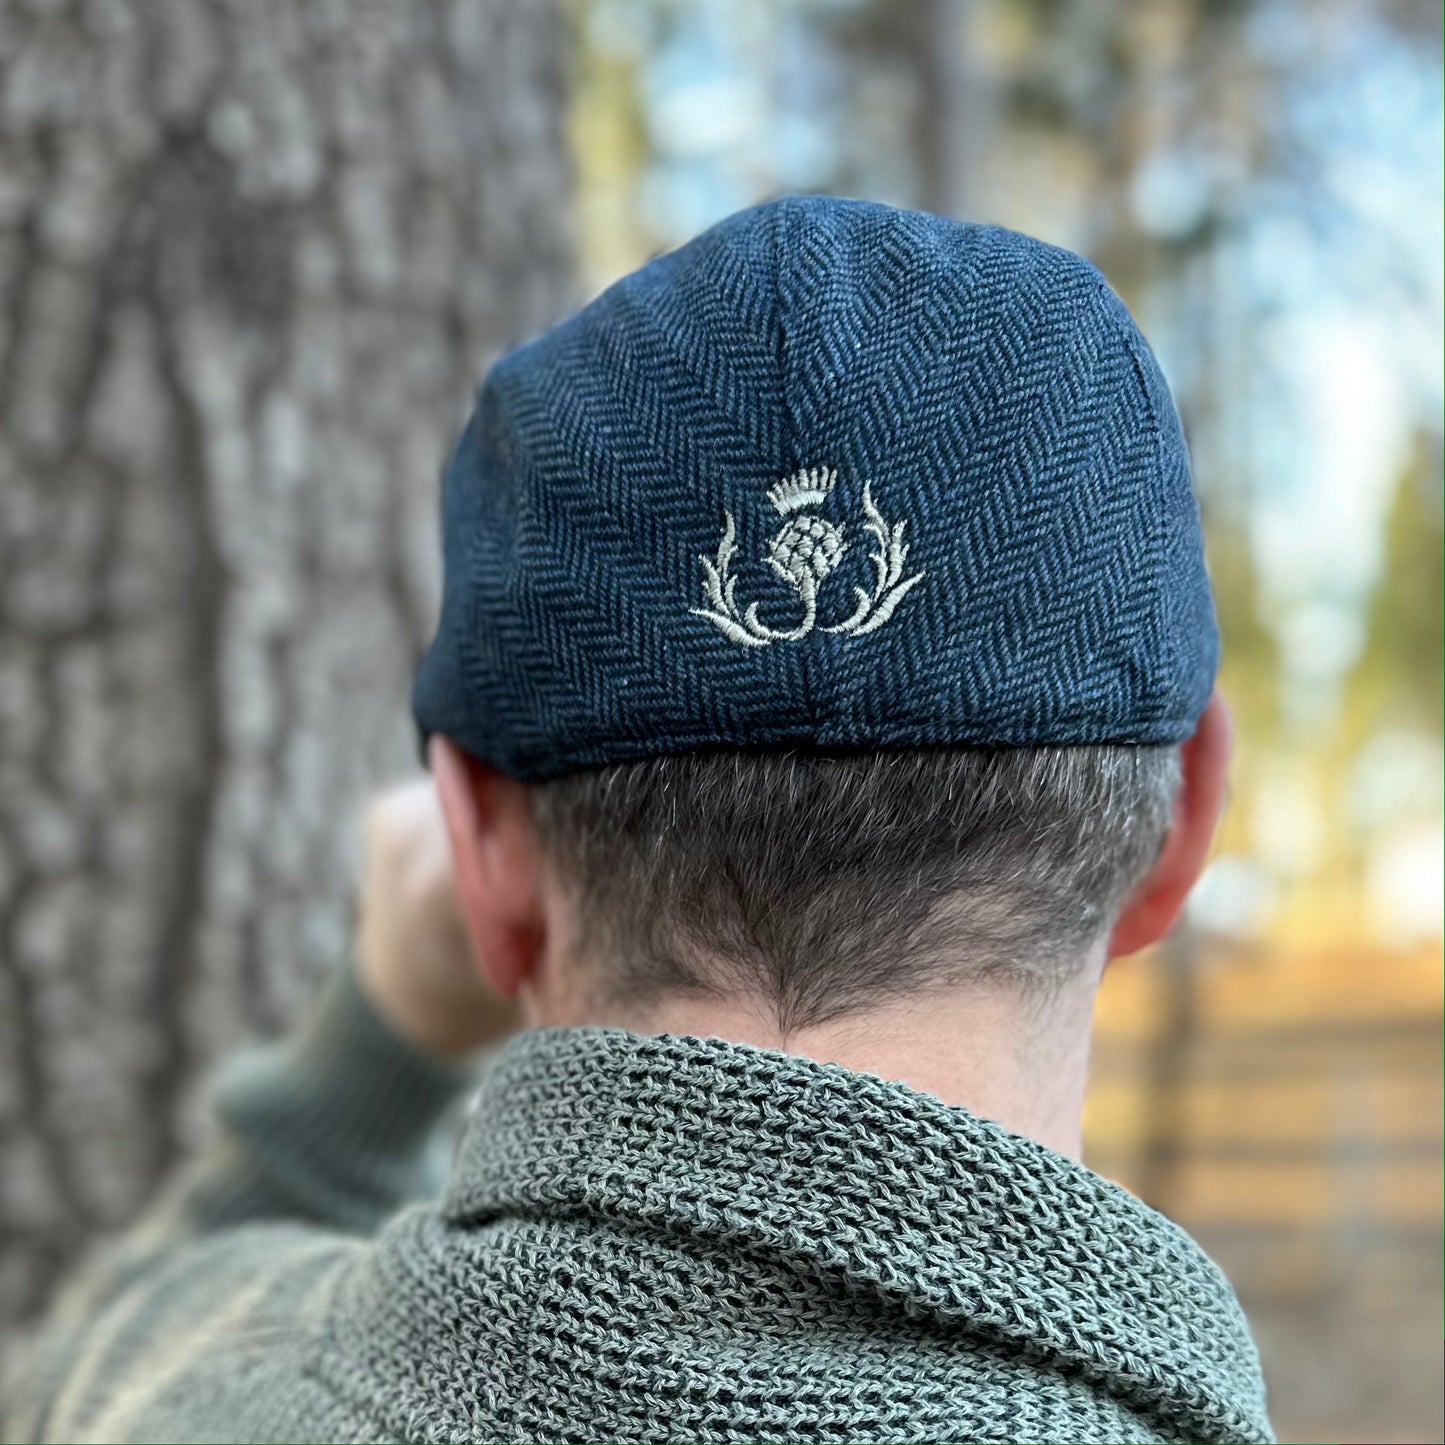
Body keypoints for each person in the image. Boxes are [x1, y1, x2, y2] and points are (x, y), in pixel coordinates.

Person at [3, 196, 1273, 1445]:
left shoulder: (182, 1391)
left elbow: (110, 1351)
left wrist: (373, 1058)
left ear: (478, 850)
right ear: (1185, 818)